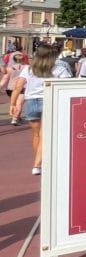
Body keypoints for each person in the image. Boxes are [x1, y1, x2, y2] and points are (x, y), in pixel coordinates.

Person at [7, 44, 60, 175]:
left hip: (31, 102)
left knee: (37, 134)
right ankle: (39, 163)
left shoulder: (29, 69)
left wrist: (13, 104)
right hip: (50, 100)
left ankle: (39, 162)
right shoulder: (58, 68)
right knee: (48, 134)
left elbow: (18, 87)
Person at [2, 50, 27, 124]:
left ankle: (17, 116)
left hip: (10, 88)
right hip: (22, 87)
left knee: (14, 103)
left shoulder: (9, 69)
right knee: (19, 103)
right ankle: (15, 118)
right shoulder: (27, 68)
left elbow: (4, 80)